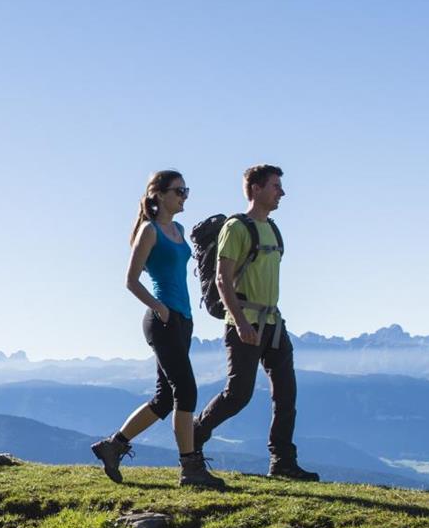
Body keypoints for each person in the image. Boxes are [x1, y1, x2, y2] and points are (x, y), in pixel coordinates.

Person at [91, 170, 224, 488]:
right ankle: (190, 468)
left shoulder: (177, 229)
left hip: (183, 320)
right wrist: (160, 307)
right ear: (159, 195)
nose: (184, 197)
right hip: (162, 320)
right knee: (186, 390)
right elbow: (131, 280)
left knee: (165, 398)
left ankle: (113, 446)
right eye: (179, 191)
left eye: (186, 191)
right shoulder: (149, 231)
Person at [192, 164, 319, 481]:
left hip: (273, 321)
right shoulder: (236, 228)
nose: (282, 192)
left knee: (286, 394)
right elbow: (222, 280)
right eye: (276, 186)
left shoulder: (273, 230)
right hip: (245, 322)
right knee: (238, 394)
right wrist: (240, 323)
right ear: (256, 189)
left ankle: (283, 462)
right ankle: (194, 435)